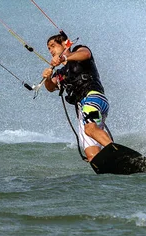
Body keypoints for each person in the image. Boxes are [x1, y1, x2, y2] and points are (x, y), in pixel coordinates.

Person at [42, 32, 112, 161]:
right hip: (82, 109)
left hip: (93, 98)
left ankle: (116, 153)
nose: (51, 50)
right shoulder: (61, 73)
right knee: (91, 155)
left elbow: (86, 54)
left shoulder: (79, 50)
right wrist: (47, 78)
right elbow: (50, 87)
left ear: (64, 44)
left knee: (90, 129)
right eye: (48, 48)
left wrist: (64, 58)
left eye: (53, 46)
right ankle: (109, 168)